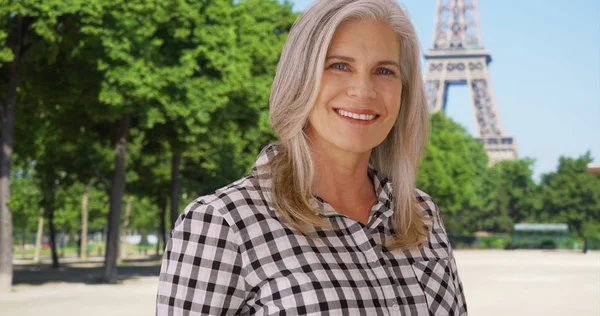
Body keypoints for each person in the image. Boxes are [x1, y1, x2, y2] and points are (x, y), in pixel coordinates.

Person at [156, 0, 468, 315]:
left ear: (404, 91)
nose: (363, 90)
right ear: (301, 77)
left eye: (384, 70)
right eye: (339, 65)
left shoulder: (421, 215)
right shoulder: (222, 224)